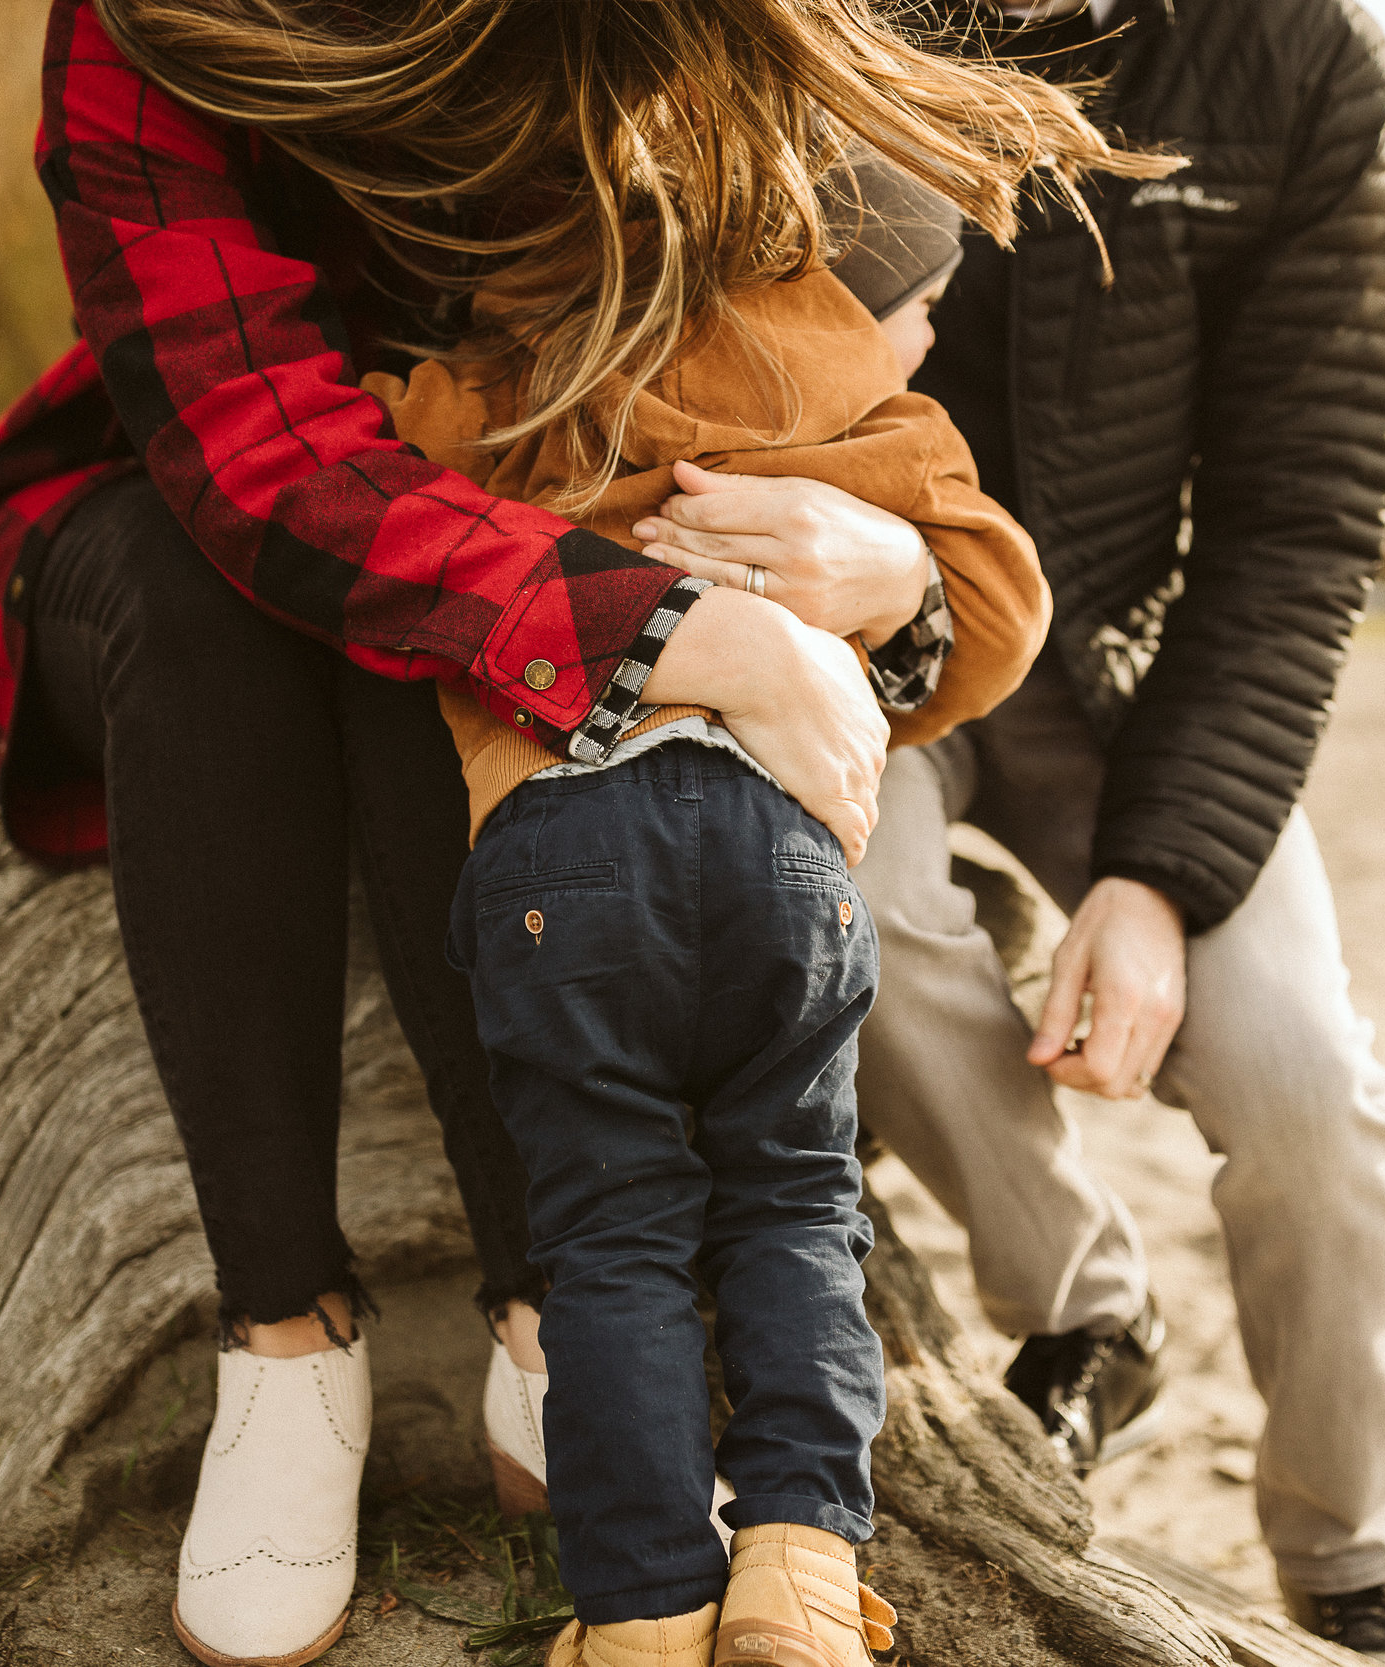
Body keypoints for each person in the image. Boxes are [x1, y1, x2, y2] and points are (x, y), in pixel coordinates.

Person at [0, 3, 1155, 1664]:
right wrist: (674, 635)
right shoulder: (156, 30)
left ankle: (546, 1315)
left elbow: (821, 423)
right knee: (261, 601)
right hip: (187, 498)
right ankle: (286, 1331)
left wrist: (894, 576)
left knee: (444, 644)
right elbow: (268, 459)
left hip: (543, 510)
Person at [629, 1, 1385, 1662]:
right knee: (840, 907)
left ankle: (1343, 1554)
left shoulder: (1301, 56)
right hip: (844, 632)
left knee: (1310, 1096)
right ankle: (1089, 1310)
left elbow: (1299, 524)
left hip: (1131, 666)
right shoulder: (788, 21)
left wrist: (1157, 880)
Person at [375, 132, 1071, 1662]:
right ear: (841, 285)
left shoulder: (518, 376)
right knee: (797, 1206)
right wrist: (899, 574)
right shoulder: (881, 426)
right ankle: (800, 1578)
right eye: (927, 294)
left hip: (564, 846)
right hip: (781, 849)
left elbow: (372, 496)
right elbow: (1007, 613)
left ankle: (636, 1616)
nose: (937, 327)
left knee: (610, 1235)